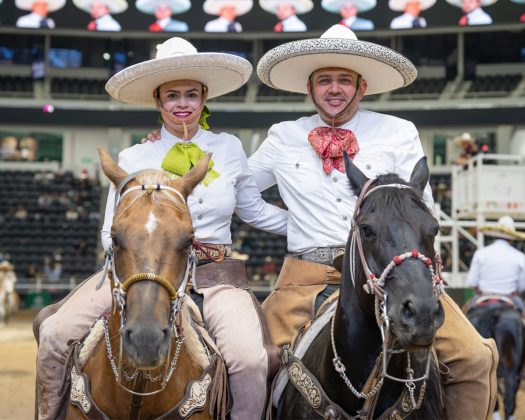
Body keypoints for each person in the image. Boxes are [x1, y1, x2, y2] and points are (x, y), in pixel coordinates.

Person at [251, 24, 498, 420]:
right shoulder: (282, 136)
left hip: (391, 271)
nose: (334, 89)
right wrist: (293, 223)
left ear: (361, 86)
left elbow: (423, 210)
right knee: (256, 365)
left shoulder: (399, 132)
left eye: (344, 80)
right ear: (310, 88)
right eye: (325, 80)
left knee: (474, 358)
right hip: (305, 276)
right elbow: (243, 193)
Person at [35, 37, 288, 420]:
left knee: (249, 360)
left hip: (212, 275)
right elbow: (109, 232)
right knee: (55, 334)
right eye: (172, 95)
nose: (182, 103)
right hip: (139, 272)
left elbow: (252, 209)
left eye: (191, 94)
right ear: (157, 100)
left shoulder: (229, 147)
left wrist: (309, 226)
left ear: (204, 97)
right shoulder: (134, 156)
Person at [467, 215, 525, 312]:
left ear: (494, 235)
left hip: (484, 295)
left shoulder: (481, 253)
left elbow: (472, 282)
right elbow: (522, 286)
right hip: (510, 297)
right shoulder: (520, 256)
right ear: (512, 238)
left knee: (464, 320)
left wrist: (480, 292)